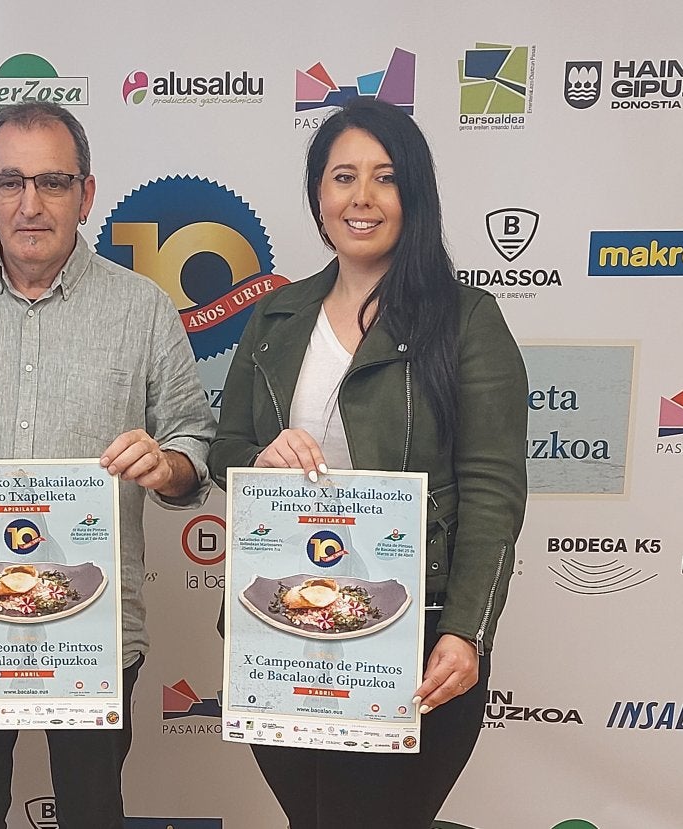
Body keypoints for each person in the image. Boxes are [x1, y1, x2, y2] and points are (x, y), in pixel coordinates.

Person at [0, 101, 215, 829]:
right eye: (10, 182)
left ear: (86, 193)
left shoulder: (143, 308)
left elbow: (191, 445)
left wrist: (166, 464)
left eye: (53, 182)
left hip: (94, 625)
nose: (30, 204)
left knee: (92, 813)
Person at [209, 98, 528, 828]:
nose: (362, 197)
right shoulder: (277, 315)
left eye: (385, 177)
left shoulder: (466, 319)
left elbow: (493, 492)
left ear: (415, 193)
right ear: (318, 194)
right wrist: (261, 457)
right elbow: (225, 452)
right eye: (342, 176)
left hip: (416, 637)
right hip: (283, 633)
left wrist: (467, 632)